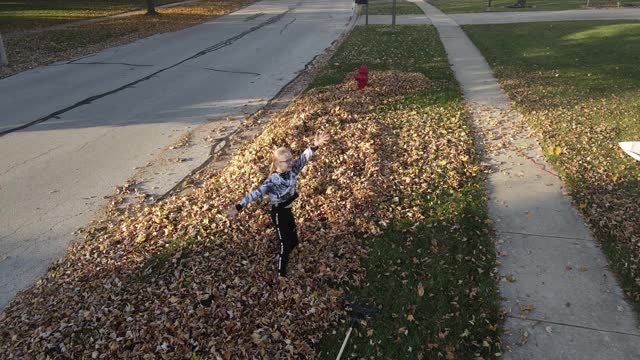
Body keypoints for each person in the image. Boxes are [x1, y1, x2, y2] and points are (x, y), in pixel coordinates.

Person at [228, 132, 329, 277]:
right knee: (285, 244)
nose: (290, 162)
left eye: (290, 159)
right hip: (278, 213)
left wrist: (314, 146)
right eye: (286, 161)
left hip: (288, 211)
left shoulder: (292, 170)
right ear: (276, 164)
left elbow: (304, 158)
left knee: (294, 238)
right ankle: (281, 273)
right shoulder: (272, 181)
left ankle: (292, 252)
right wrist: (238, 207)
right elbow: (255, 193)